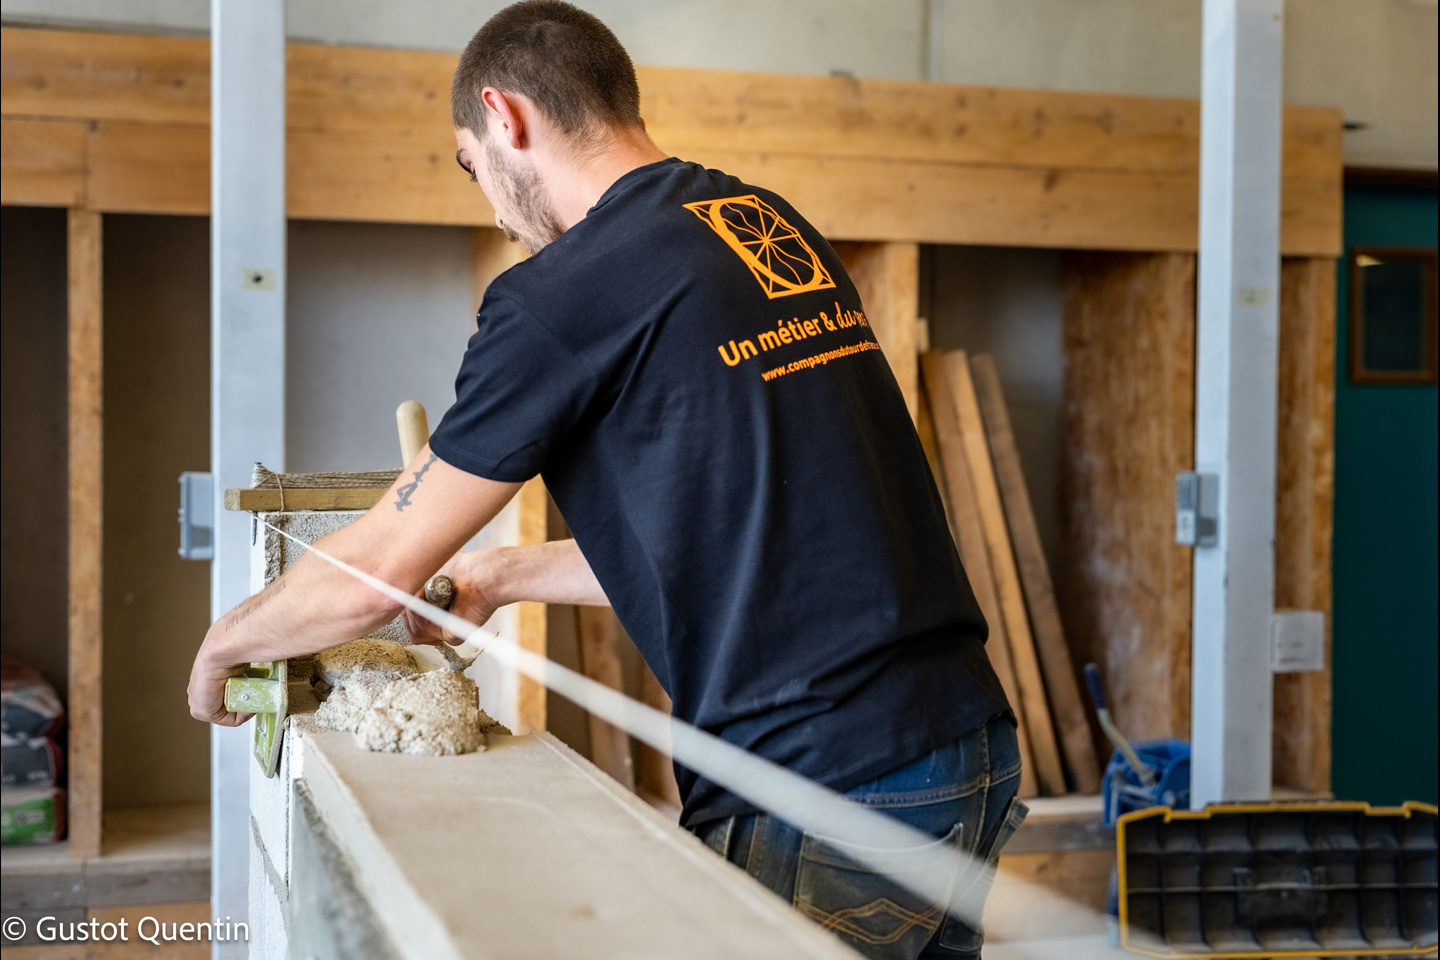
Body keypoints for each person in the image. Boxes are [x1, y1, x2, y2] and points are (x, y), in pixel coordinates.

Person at [187, 3, 1023, 956]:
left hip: (823, 787)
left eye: (472, 169)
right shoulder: (756, 220)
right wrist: (502, 577)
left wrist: (224, 645)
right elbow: (734, 535)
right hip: (968, 749)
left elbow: (379, 560)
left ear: (503, 118)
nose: (496, 215)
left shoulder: (559, 295)